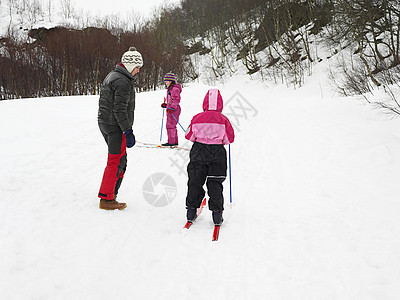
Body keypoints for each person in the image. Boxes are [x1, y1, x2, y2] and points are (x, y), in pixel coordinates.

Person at [97, 47, 143, 210]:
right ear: (130, 65)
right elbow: (119, 109)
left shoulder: (113, 75)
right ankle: (107, 199)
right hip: (115, 126)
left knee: (119, 160)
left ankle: (110, 194)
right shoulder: (122, 82)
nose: (138, 71)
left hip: (106, 123)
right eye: (137, 67)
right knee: (116, 161)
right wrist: (127, 130)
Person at [184, 89, 235, 225]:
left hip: (199, 150)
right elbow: (229, 138)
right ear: (220, 104)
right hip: (217, 152)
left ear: (205, 102)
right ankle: (217, 215)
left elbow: (189, 135)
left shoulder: (197, 117)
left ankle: (191, 211)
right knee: (215, 182)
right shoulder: (224, 119)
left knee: (195, 180)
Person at [161, 72, 182, 146]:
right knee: (172, 125)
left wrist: (172, 108)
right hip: (171, 109)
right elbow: (171, 100)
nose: (165, 83)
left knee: (170, 125)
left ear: (170, 81)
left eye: (166, 81)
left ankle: (171, 142)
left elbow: (176, 99)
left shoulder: (174, 89)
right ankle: (174, 141)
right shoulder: (171, 89)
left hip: (174, 110)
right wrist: (166, 105)